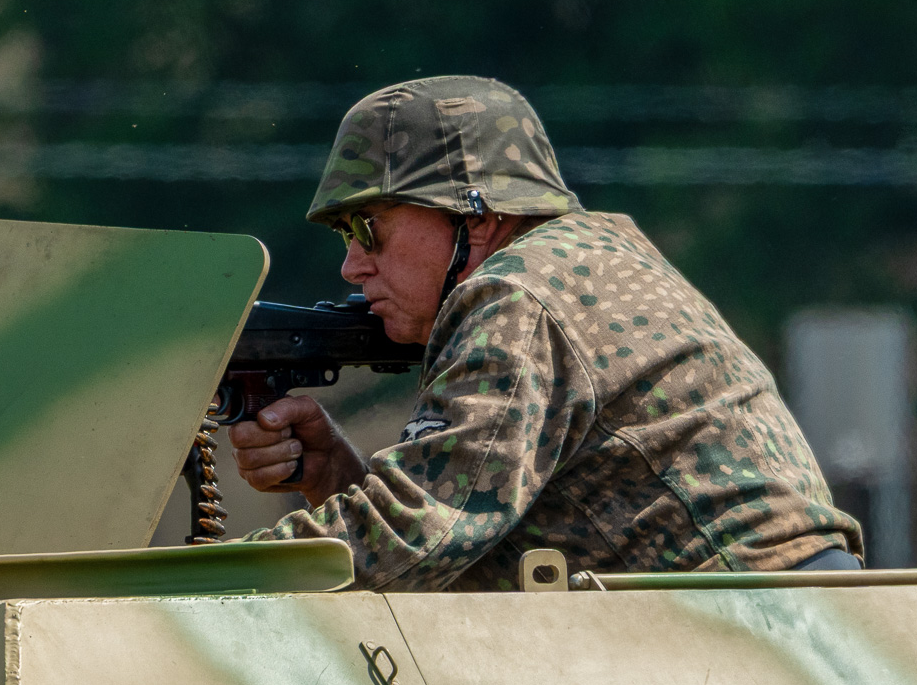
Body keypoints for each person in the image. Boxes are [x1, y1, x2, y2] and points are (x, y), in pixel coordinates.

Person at [229, 75, 863, 590]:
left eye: (368, 229)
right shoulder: (591, 257)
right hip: (784, 620)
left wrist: (205, 579)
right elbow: (465, 553)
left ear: (476, 219)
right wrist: (334, 474)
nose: (351, 266)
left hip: (754, 625)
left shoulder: (516, 295)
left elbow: (415, 536)